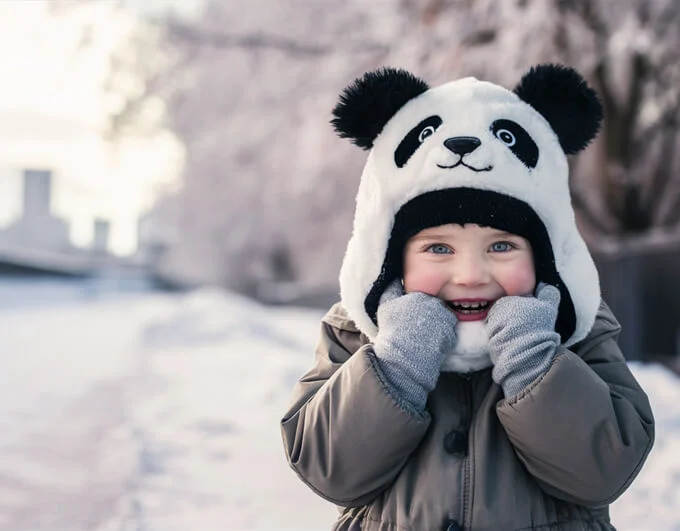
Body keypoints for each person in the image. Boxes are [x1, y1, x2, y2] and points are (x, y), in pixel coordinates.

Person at [280, 64, 654, 531]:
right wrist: (395, 365)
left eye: (502, 247)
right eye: (438, 248)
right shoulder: (359, 335)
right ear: (391, 257)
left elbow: (604, 471)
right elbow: (330, 469)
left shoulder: (577, 333)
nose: (471, 275)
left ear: (544, 257)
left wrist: (534, 364)